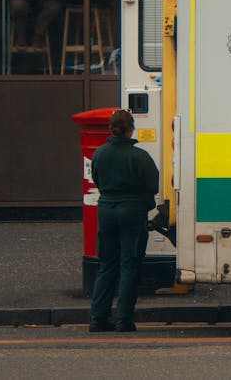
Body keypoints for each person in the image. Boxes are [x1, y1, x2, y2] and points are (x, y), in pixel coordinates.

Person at [89, 109, 159, 333]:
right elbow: (153, 185)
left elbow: (97, 180)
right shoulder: (139, 156)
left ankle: (98, 318)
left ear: (110, 129)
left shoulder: (99, 153)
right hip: (132, 212)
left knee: (106, 265)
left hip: (107, 209)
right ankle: (124, 319)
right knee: (130, 264)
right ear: (131, 129)